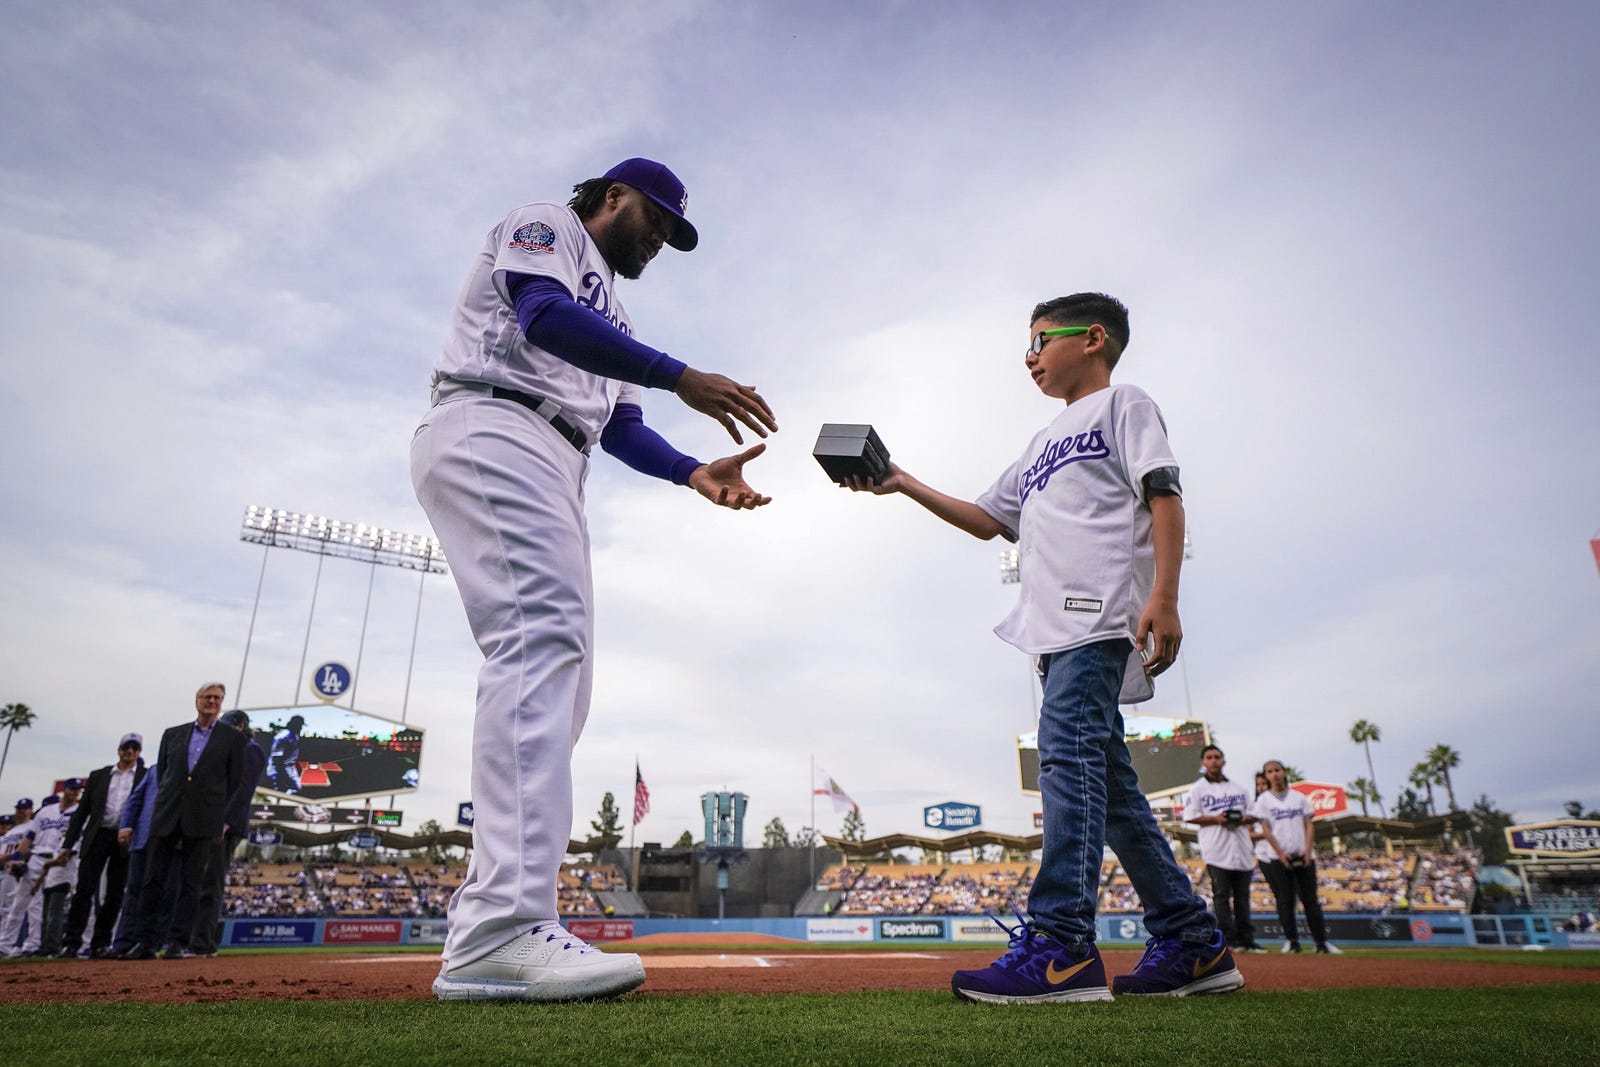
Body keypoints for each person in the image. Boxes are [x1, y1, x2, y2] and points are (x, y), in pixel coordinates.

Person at [414, 157, 777, 1003]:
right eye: (655, 218)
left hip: (556, 456)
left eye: (673, 233)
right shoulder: (547, 223)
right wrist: (681, 371)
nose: (660, 237)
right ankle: (500, 927)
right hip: (492, 419)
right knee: (539, 645)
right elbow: (542, 317)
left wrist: (692, 472)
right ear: (613, 196)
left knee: (561, 676)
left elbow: (622, 428)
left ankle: (496, 923)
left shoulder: (614, 310)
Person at [849, 292, 1240, 1002]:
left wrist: (1167, 595)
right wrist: (900, 480)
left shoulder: (1126, 405)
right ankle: (1192, 939)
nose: (1028, 356)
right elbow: (985, 517)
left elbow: (1165, 492)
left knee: (1065, 759)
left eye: (1039, 340)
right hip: (1053, 633)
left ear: (1092, 338)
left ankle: (1061, 945)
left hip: (1097, 616)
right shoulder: (1037, 446)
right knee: (1114, 791)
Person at [121, 682, 247, 960]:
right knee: (153, 879)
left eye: (217, 698)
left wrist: (219, 817)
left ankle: (178, 941)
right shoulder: (173, 734)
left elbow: (234, 781)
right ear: (197, 700)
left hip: (204, 818)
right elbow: (166, 773)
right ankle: (144, 941)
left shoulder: (232, 738)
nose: (211, 702)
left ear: (221, 703)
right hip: (168, 814)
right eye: (207, 697)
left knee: (191, 883)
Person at [59, 733, 148, 958]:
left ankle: (101, 942)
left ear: (139, 752)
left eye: (134, 748)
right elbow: (82, 813)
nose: (129, 751)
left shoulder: (144, 776)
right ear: (119, 749)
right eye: (126, 747)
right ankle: (72, 942)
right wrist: (67, 844)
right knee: (84, 889)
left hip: (125, 837)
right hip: (98, 835)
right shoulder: (99, 776)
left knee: (115, 893)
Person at [189, 709, 266, 956]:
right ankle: (188, 939)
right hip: (204, 822)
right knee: (196, 882)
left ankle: (203, 943)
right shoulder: (224, 748)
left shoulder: (250, 749)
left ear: (240, 725)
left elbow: (243, 789)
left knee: (211, 884)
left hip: (224, 826)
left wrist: (225, 822)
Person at [1251, 759, 1337, 954]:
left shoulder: (1299, 798)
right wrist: (1280, 854)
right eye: (1270, 771)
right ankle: (1292, 941)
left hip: (1304, 856)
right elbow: (1266, 830)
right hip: (1278, 858)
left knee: (1310, 901)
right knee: (1285, 900)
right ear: (1266, 776)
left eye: (1277, 770)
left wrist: (1308, 850)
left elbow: (1309, 825)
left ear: (1284, 772)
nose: (1275, 774)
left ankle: (1322, 943)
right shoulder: (1263, 800)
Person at [1187, 746, 1264, 953]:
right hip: (1216, 849)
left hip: (1241, 847)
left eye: (1217, 757)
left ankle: (1247, 940)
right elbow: (1190, 815)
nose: (1214, 761)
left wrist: (1242, 818)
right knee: (1221, 895)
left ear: (1224, 761)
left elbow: (1254, 813)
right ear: (1203, 762)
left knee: (1242, 897)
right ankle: (1229, 941)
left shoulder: (1238, 789)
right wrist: (1216, 818)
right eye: (1209, 758)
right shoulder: (1198, 789)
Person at [34, 779, 85, 956]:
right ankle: (44, 945)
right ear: (65, 790)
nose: (75, 793)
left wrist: (55, 861)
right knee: (45, 909)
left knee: (55, 911)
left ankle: (52, 946)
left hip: (64, 865)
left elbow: (73, 847)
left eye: (78, 790)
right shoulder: (49, 811)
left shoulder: (79, 813)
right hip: (47, 864)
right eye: (72, 789)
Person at [267, 715, 305, 795]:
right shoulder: (284, 736)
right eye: (299, 725)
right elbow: (277, 758)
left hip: (289, 769)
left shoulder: (294, 736)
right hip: (279, 771)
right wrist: (284, 777)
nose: (300, 728)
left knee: (296, 790)